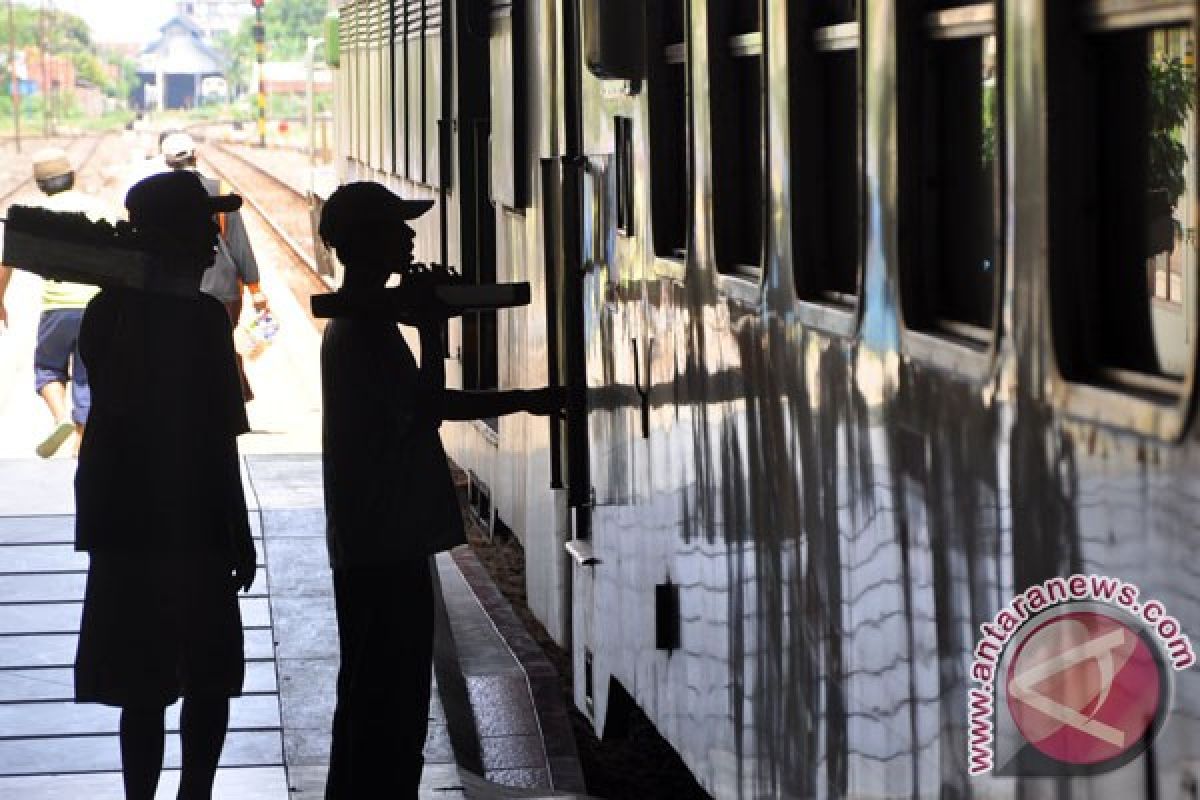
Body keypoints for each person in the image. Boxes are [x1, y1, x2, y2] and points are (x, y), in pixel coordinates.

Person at [317, 181, 563, 799]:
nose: (409, 237)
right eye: (395, 228)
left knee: (372, 692)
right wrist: (433, 330)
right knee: (390, 698)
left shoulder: (357, 324)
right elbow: (428, 408)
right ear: (365, 244)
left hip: (376, 537)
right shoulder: (364, 332)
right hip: (385, 541)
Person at [73, 170, 257, 800]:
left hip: (127, 525)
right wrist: (237, 527)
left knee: (142, 682)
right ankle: (194, 796)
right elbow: (220, 438)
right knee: (208, 674)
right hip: (192, 524)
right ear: (170, 238)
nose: (213, 240)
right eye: (202, 226)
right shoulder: (204, 322)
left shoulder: (106, 313)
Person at [0, 147, 111, 457]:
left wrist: (0, 300)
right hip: (95, 305)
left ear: (40, 184)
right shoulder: (97, 207)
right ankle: (82, 437)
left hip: (57, 306)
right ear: (72, 176)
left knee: (48, 369)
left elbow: (6, 262)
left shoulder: (32, 215)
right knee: (88, 373)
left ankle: (61, 416)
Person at [160, 130, 269, 402]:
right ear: (195, 156)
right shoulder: (219, 190)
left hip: (177, 288)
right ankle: (232, 399)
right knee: (222, 344)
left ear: (167, 163)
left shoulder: (158, 195)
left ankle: (197, 402)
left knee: (185, 349)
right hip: (223, 287)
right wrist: (255, 289)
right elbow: (238, 244)